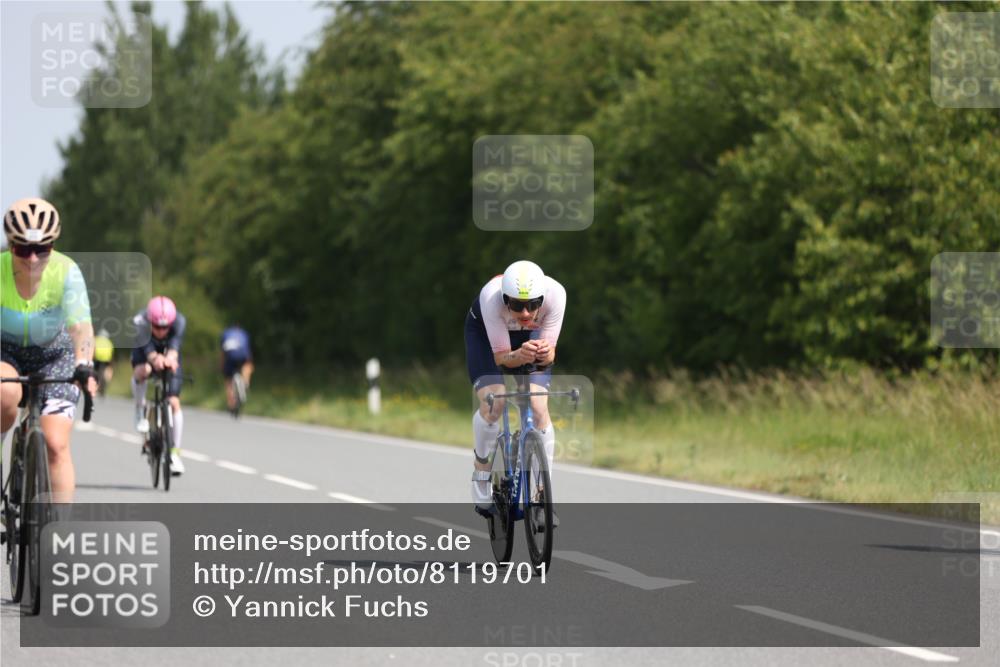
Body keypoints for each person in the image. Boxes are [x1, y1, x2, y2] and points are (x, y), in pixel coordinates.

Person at [0, 197, 97, 502]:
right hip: (6, 351)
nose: (32, 259)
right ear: (10, 244)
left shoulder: (67, 271)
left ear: (53, 245)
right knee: (6, 395)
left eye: (42, 249)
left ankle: (59, 537)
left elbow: (81, 327)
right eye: (22, 249)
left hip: (56, 355)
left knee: (56, 443)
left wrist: (84, 363)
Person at [464, 260, 565, 524]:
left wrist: (543, 354)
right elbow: (501, 358)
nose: (525, 311)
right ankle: (482, 473)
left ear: (543, 298)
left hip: (529, 337)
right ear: (504, 298)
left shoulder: (557, 295)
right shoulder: (490, 298)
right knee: (493, 402)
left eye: (533, 304)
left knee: (538, 405)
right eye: (517, 304)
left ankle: (543, 495)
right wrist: (519, 355)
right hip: (488, 338)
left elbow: (550, 355)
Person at [131, 296, 186, 475]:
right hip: (145, 350)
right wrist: (155, 359)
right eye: (157, 327)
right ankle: (140, 408)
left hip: (167, 351)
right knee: (144, 370)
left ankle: (174, 452)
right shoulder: (140, 323)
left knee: (174, 402)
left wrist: (170, 359)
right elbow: (147, 350)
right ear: (150, 322)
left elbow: (174, 347)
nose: (161, 331)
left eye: (165, 327)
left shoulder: (179, 322)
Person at [220, 323, 253, 412]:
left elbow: (223, 352)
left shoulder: (225, 334)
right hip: (243, 356)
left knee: (228, 381)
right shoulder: (244, 333)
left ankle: (231, 403)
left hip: (230, 356)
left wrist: (222, 366)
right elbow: (247, 349)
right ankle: (245, 383)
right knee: (247, 366)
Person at [93, 328, 114, 394]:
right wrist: (111, 363)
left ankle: (95, 386)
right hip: (106, 360)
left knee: (95, 372)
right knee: (103, 374)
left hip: (97, 358)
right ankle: (102, 388)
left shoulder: (96, 339)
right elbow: (111, 353)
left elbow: (93, 348)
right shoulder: (109, 342)